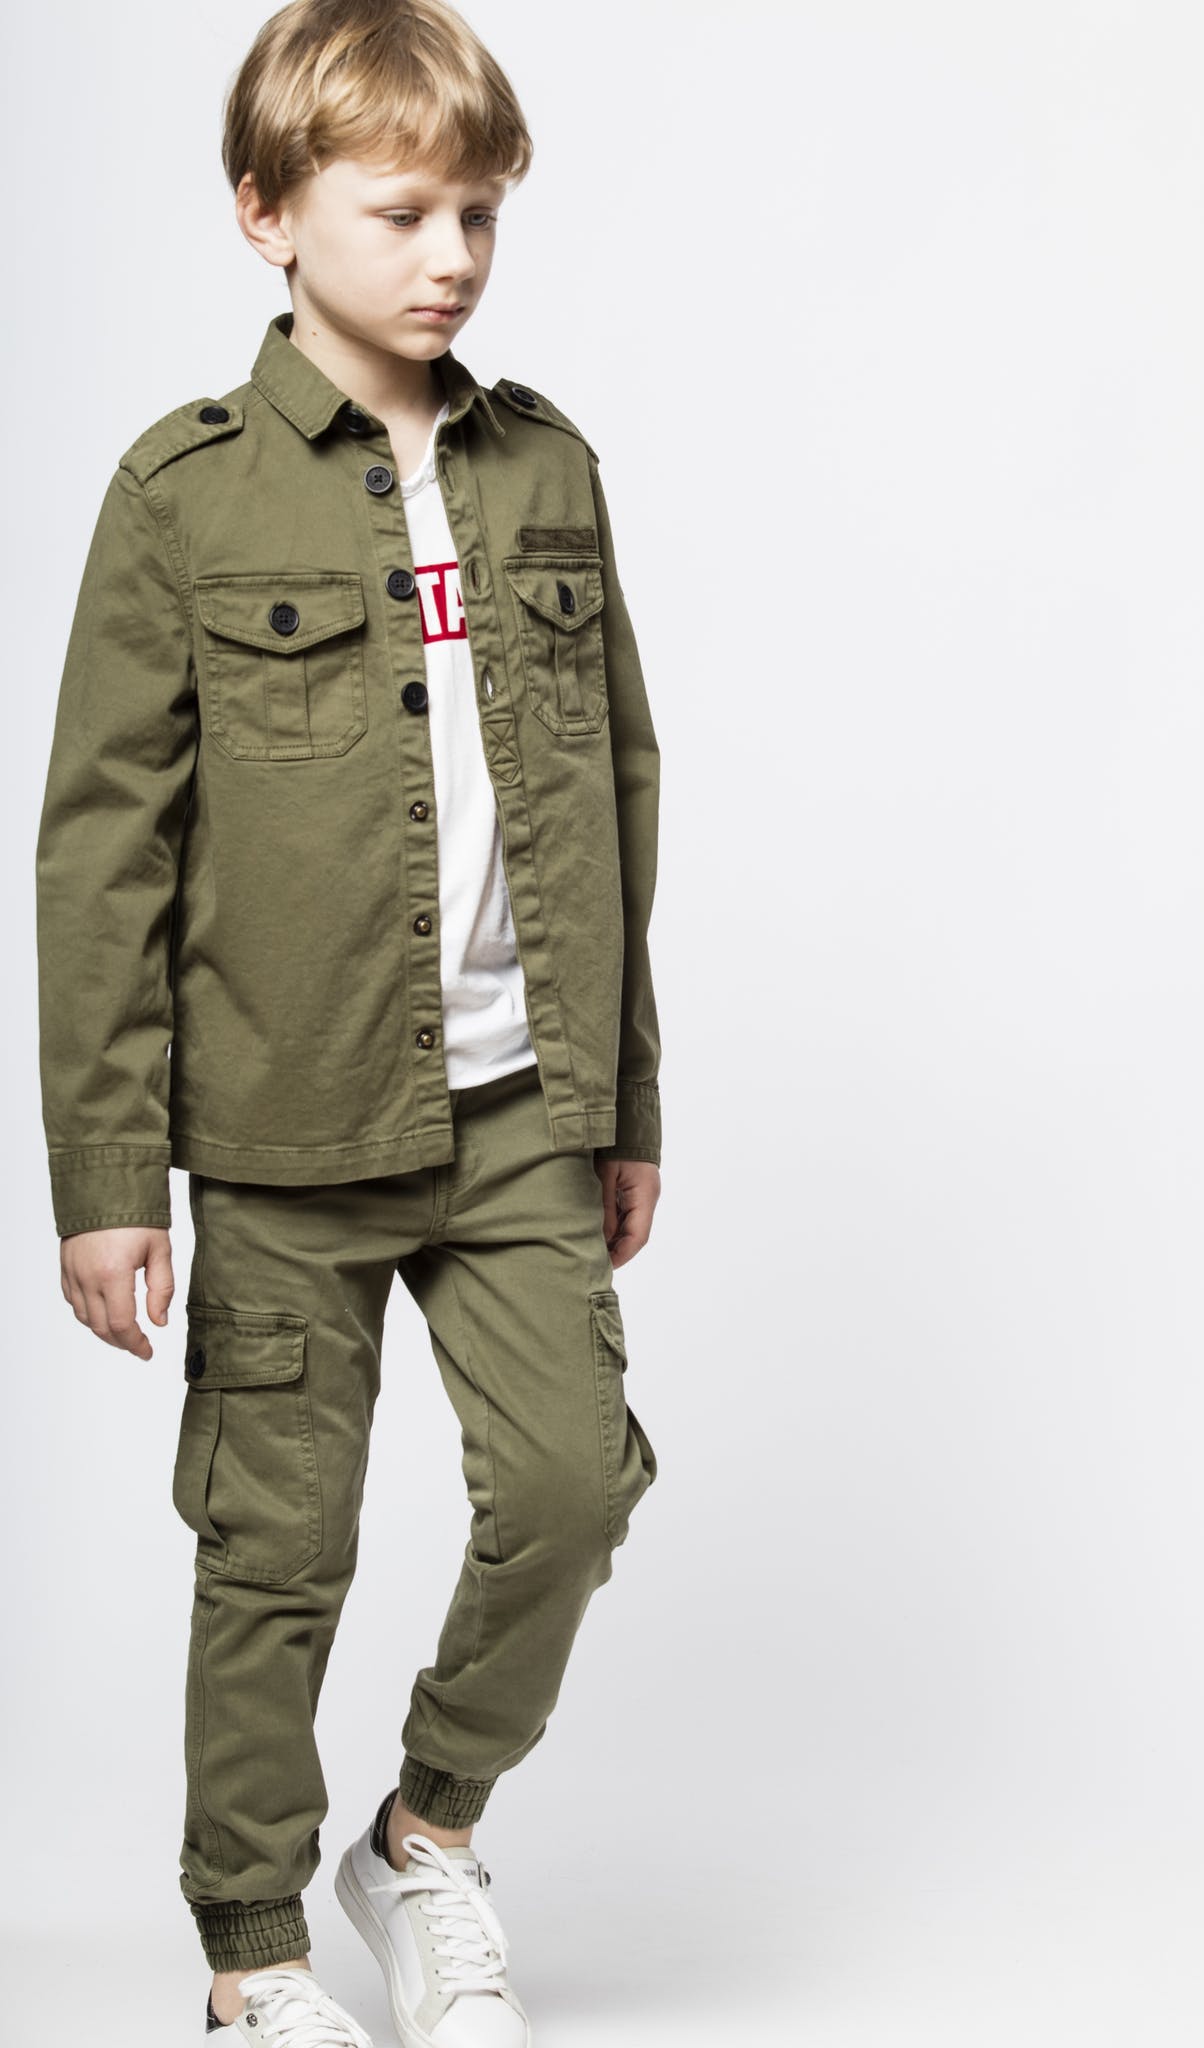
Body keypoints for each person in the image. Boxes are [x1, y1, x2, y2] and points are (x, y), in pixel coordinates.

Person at [33, 2, 665, 2040]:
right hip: (282, 1123)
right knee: (273, 1547)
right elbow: (102, 849)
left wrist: (623, 1097)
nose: (450, 255)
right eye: (400, 212)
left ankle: (423, 1830)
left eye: (476, 212)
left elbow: (615, 793)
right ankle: (254, 1950)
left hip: (521, 1109)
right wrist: (106, 1172)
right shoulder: (182, 495)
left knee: (570, 1485)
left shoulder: (546, 468)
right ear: (268, 213)